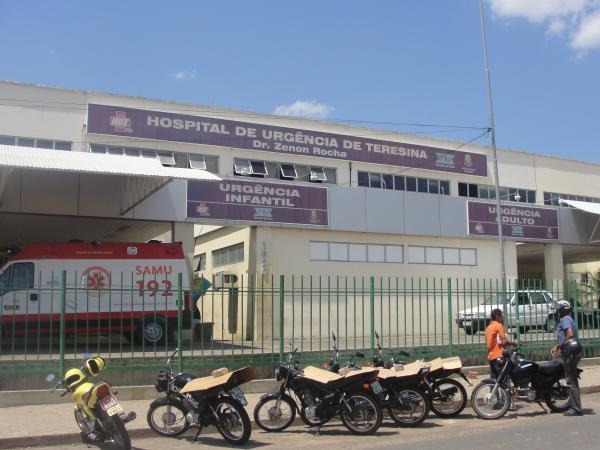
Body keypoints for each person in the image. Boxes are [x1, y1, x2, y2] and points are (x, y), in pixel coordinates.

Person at [550, 299, 583, 416]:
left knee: (570, 381)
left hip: (569, 354)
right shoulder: (567, 319)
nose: (557, 311)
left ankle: (576, 409)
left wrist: (560, 347)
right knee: (572, 381)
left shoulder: (565, 319)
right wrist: (557, 346)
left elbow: (569, 334)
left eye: (558, 308)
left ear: (563, 310)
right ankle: (576, 406)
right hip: (570, 352)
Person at [485, 308, 515, 382]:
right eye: (501, 316)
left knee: (494, 379)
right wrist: (512, 343)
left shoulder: (488, 328)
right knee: (504, 379)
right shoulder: (498, 326)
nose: (502, 318)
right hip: (499, 356)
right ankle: (506, 393)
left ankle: (493, 393)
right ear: (497, 316)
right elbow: (503, 341)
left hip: (491, 356)